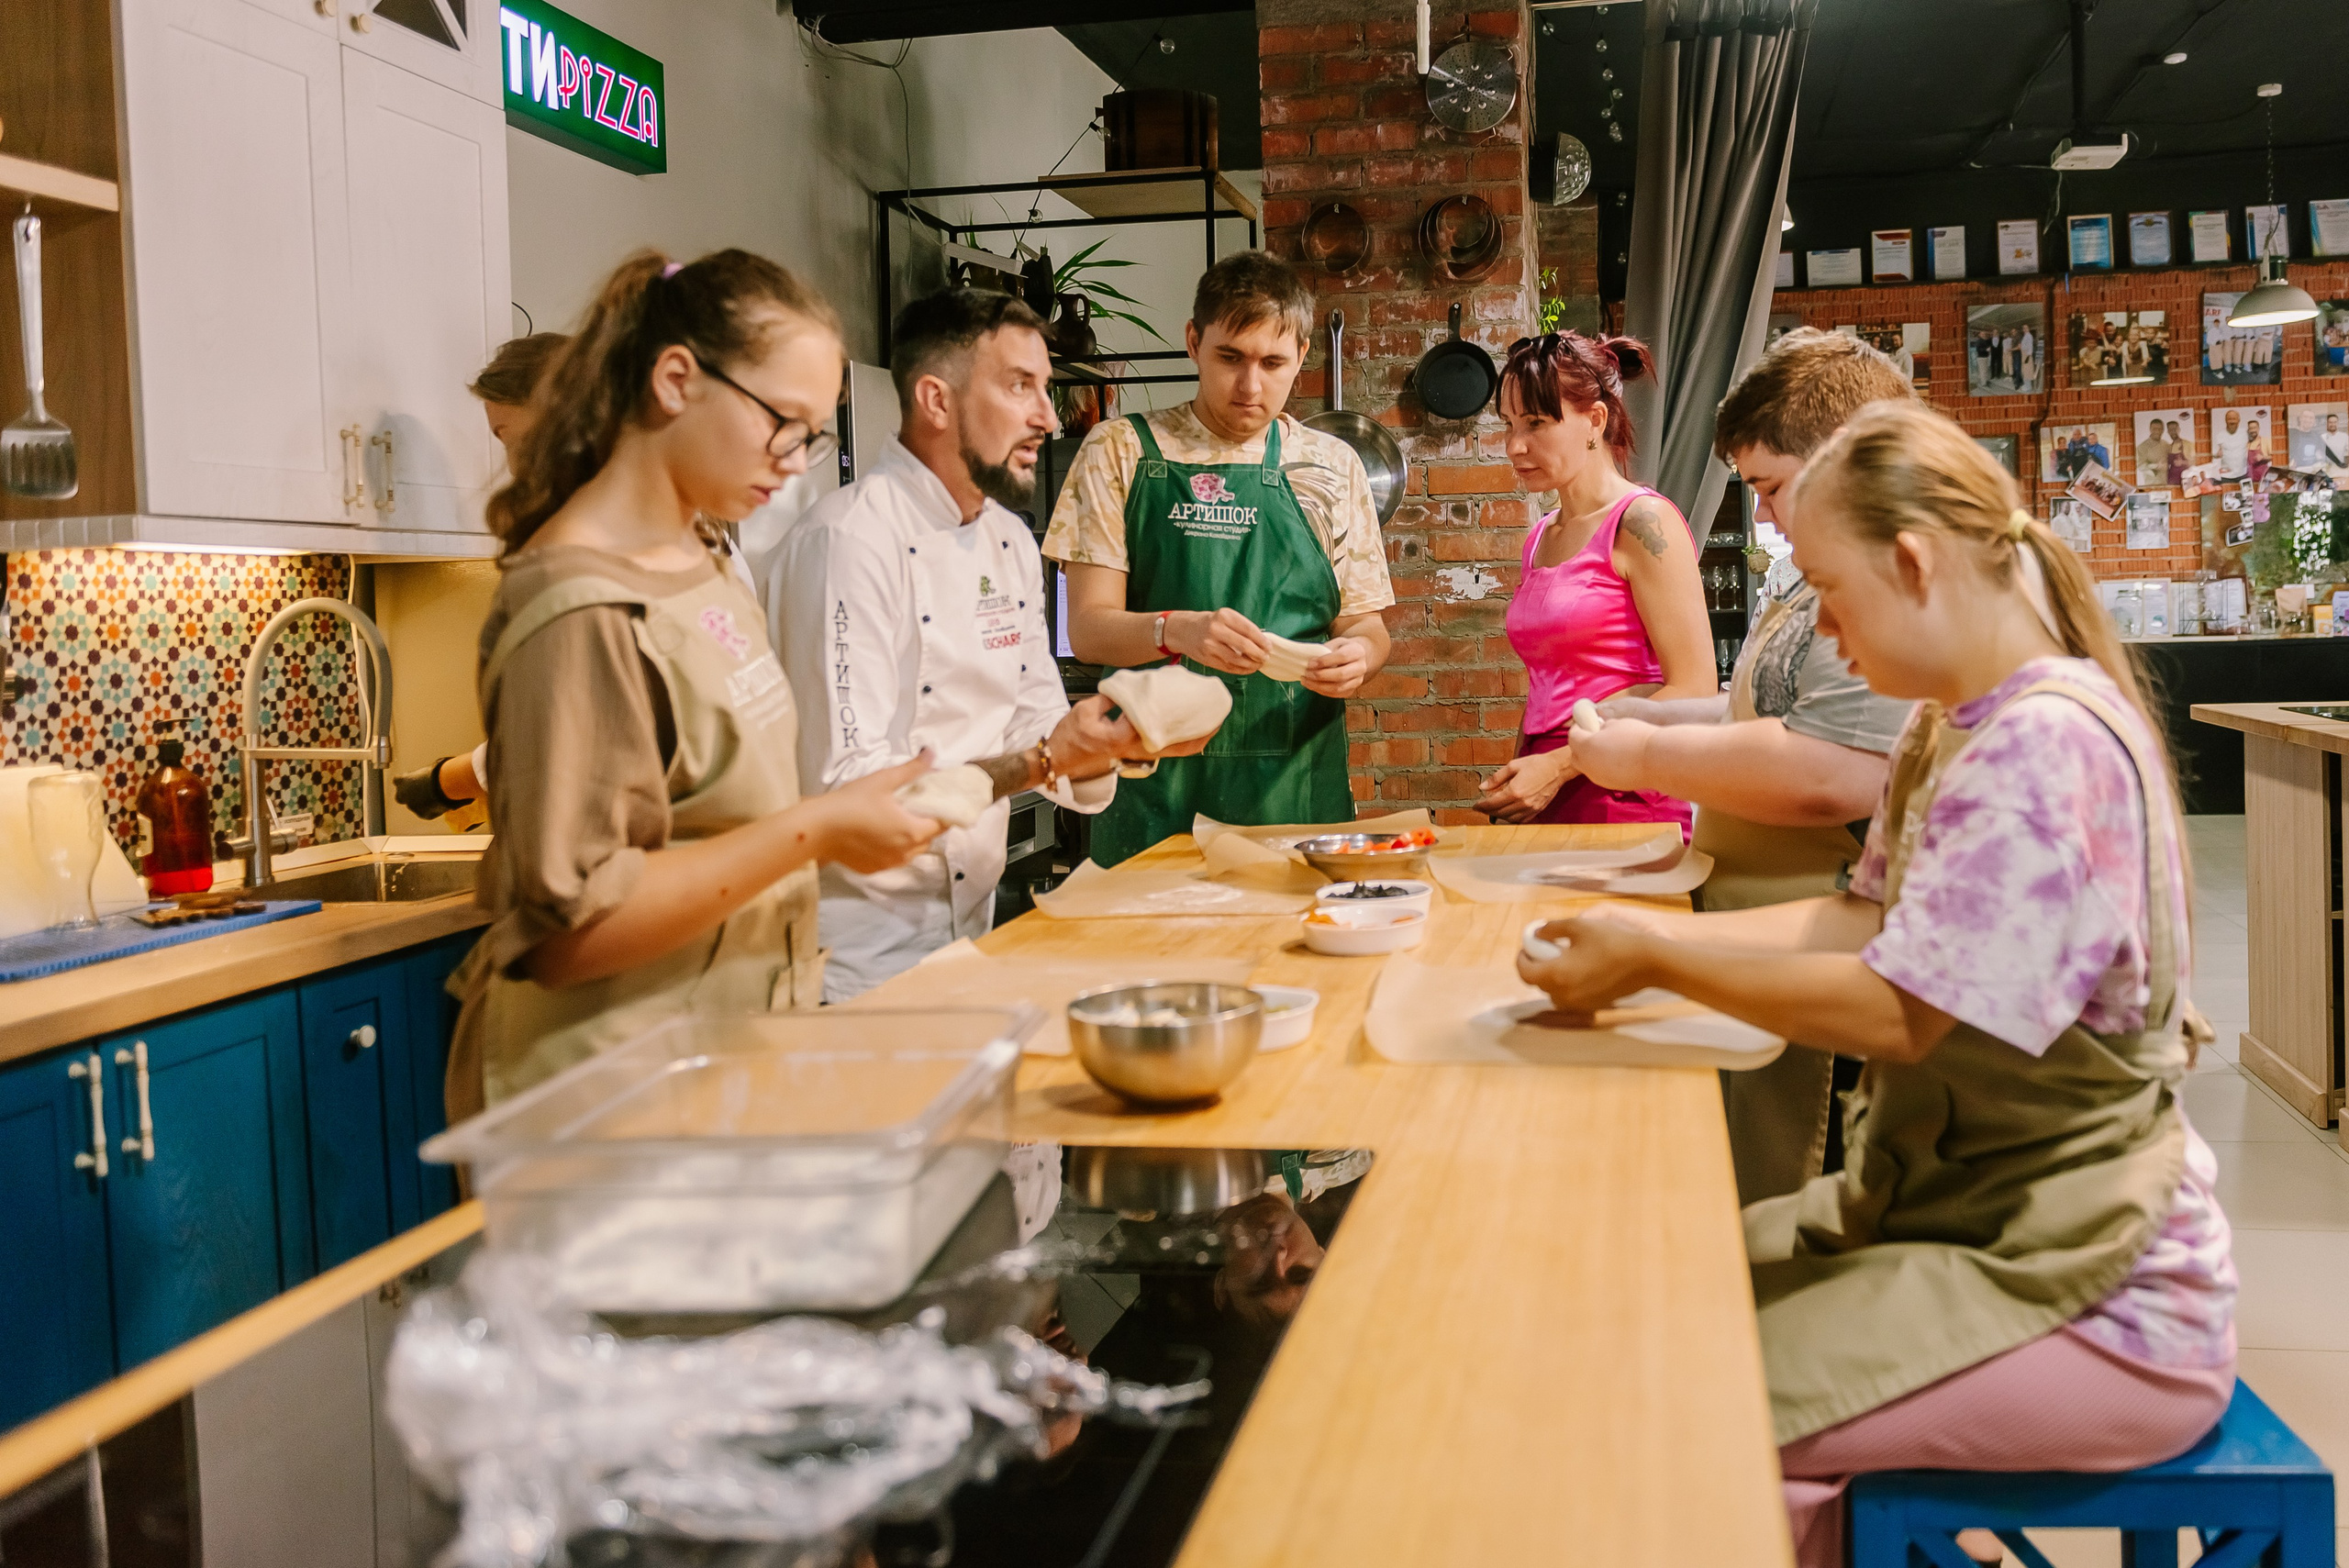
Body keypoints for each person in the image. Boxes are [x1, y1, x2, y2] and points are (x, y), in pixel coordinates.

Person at [1519, 402, 2233, 1568]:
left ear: (1911, 564)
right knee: (1636, 1295)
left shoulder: (2042, 746)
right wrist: (1625, 931)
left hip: (2089, 1277)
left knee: (1671, 1408)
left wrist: (1652, 955)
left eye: (1829, 594)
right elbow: (1863, 919)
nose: (1829, 635)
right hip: (1955, 1212)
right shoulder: (1948, 728)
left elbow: (1902, 1008)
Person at [447, 250, 949, 1115]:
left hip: (717, 1062)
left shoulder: (704, 558)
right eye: (782, 422)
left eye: (812, 433)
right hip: (607, 1100)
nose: (796, 459)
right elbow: (573, 928)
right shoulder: (578, 604)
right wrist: (818, 829)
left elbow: (711, 816)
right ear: (677, 379)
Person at [1566, 328, 1917, 1203]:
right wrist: (1650, 710)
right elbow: (1762, 709)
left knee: (1793, 1193)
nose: (1762, 516)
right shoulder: (1808, 578)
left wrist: (1644, 752)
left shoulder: (1882, 579)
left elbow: (1836, 771)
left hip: (1818, 929)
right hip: (1767, 921)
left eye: (1770, 487)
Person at [773, 290, 1197, 1000]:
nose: (1048, 418)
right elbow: (848, 786)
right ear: (936, 400)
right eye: (1019, 386)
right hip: (855, 960)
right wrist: (1041, 759)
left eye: (1047, 388)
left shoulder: (1005, 537)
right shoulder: (847, 542)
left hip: (971, 932)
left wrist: (1105, 740)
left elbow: (1035, 717)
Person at [1046, 252, 1394, 865]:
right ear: (1193, 342)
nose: (1249, 386)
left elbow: (1365, 624)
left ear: (1303, 355)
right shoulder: (1121, 450)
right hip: (1151, 785)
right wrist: (1176, 629)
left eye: (1272, 363)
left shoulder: (1331, 469)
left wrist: (1360, 656)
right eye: (1230, 357)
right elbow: (1088, 629)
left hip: (1291, 789)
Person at [1473, 331, 1713, 830]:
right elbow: (1544, 686)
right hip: (1543, 788)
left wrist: (1561, 766)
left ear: (1595, 421)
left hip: (1621, 789)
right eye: (1510, 425)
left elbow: (1693, 688)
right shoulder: (1541, 536)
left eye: (1536, 423)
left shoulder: (1643, 521)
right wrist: (1522, 778)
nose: (1516, 446)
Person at [395, 334, 574, 828]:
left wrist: (448, 780)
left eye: (505, 434)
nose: (509, 463)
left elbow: (559, 733)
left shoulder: (575, 550)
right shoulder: (690, 530)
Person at [2214, 408, 2249, 477]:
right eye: (2229, 419)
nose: (2232, 421)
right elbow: (2213, 454)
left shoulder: (2245, 433)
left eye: (2234, 419)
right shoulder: (2219, 435)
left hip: (2243, 474)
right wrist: (2216, 454)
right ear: (2226, 421)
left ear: (2239, 420)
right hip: (2225, 475)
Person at [2136, 419, 2170, 488]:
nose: (2157, 431)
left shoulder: (2166, 444)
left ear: (2163, 430)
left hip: (2167, 484)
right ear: (2150, 429)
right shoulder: (2142, 447)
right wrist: (2156, 466)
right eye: (2154, 429)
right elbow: (2140, 466)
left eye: (2159, 429)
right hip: (2151, 485)